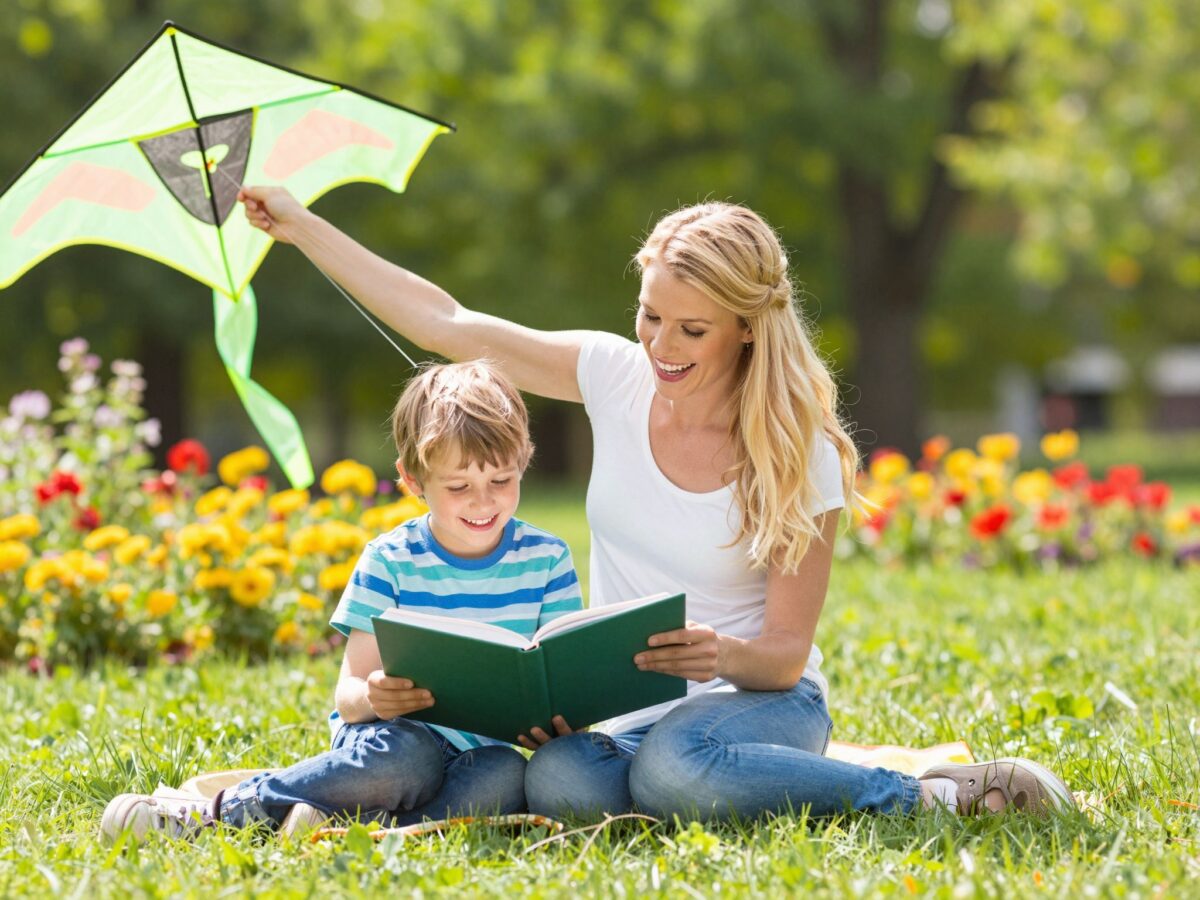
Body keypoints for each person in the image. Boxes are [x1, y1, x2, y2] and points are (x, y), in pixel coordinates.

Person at [226, 186, 1076, 822]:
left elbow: (783, 655)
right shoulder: (613, 377)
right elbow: (446, 322)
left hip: (760, 701)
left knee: (677, 769)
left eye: (690, 330)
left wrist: (716, 655)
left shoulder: (797, 451)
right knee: (560, 782)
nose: (661, 347)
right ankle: (724, 780)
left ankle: (923, 798)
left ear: (747, 326)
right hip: (624, 710)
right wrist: (300, 226)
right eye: (650, 317)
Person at [101, 361, 584, 840]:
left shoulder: (546, 559)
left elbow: (559, 677)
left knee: (506, 774)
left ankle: (334, 822)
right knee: (410, 759)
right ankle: (219, 812)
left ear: (525, 460)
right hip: (389, 743)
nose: (484, 502)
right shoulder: (391, 560)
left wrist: (557, 722)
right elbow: (349, 699)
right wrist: (375, 696)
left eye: (501, 480)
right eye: (458, 487)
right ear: (414, 482)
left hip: (480, 757)